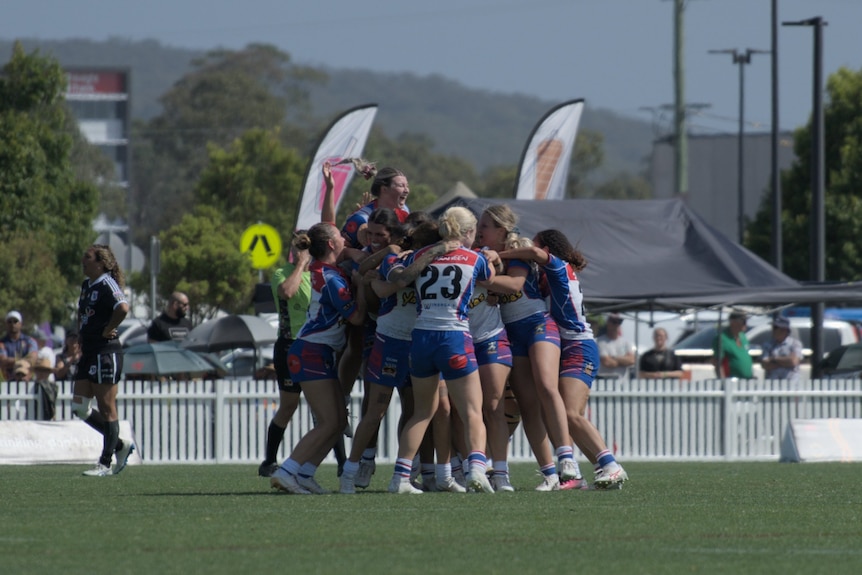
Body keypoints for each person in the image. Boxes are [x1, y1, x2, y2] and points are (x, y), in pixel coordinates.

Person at [499, 228, 628, 490]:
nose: (529, 251)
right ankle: (588, 473)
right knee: (561, 414)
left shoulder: (558, 267)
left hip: (579, 346)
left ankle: (612, 466)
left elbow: (534, 253)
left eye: (534, 246)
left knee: (570, 413)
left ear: (547, 250)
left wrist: (498, 253)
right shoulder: (546, 275)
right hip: (568, 346)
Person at [387, 206, 495, 494]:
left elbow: (402, 275)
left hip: (421, 337)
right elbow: (490, 277)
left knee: (422, 412)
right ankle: (476, 470)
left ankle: (400, 478)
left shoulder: (423, 256)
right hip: (454, 338)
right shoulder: (474, 258)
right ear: (469, 232)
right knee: (473, 411)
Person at [477, 204, 573, 491]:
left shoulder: (516, 251)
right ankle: (550, 475)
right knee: (528, 406)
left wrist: (485, 279)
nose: (480, 231)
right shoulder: (484, 256)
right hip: (512, 334)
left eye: (485, 226)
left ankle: (567, 459)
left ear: (501, 231)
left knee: (546, 385)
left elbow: (515, 285)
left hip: (537, 323)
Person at [269, 223, 367, 494]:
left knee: (336, 422)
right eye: (341, 237)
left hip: (315, 351)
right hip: (311, 351)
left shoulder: (325, 271)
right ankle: (287, 470)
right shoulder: (330, 277)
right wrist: (360, 286)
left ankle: (305, 473)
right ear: (332, 245)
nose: (346, 240)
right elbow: (357, 317)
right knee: (328, 422)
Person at [72, 244, 135, 477]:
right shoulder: (87, 285)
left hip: (105, 352)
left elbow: (123, 307)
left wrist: (109, 328)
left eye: (87, 257)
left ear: (101, 263)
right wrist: (81, 335)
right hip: (88, 352)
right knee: (79, 407)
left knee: (107, 408)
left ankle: (105, 463)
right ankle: (119, 445)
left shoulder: (108, 283)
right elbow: (84, 314)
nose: (83, 261)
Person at [257, 233, 312, 477]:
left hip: (316, 347)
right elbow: (287, 292)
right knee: (288, 406)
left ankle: (343, 464)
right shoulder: (283, 273)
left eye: (307, 245)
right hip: (290, 346)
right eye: (299, 245)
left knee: (325, 411)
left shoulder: (322, 273)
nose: (303, 249)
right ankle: (269, 460)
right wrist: (300, 263)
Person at [713, 311, 753, 379]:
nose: (745, 325)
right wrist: (722, 381)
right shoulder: (722, 339)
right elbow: (718, 363)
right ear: (733, 322)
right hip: (731, 380)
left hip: (747, 380)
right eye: (743, 322)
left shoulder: (743, 337)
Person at [761, 316, 803, 382]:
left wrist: (773, 359)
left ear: (784, 330)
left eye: (775, 328)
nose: (773, 330)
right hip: (772, 385)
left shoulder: (795, 344)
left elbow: (793, 361)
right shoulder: (767, 345)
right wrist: (786, 362)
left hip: (791, 385)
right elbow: (765, 364)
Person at [0, 311, 39, 381]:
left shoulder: (30, 341)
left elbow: (33, 359)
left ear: (21, 324)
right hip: (7, 380)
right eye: (9, 322)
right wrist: (24, 361)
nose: (12, 324)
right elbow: (3, 361)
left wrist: (12, 361)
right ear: (6, 324)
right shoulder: (2, 343)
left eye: (15, 321)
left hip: (27, 379)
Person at [597, 313, 636, 379]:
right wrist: (623, 361)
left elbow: (631, 360)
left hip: (623, 382)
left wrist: (613, 357)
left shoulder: (626, 342)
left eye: (619, 322)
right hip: (605, 382)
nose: (617, 324)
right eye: (614, 322)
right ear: (608, 323)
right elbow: (607, 362)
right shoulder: (600, 341)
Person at [32, 356, 59, 421]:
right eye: (39, 370)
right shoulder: (29, 387)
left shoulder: (53, 388)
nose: (41, 373)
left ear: (49, 372)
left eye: (44, 371)